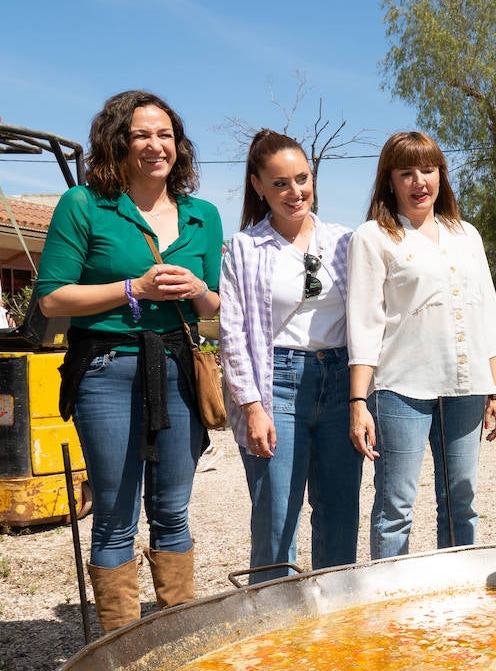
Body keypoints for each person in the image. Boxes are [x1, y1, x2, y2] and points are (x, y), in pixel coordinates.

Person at [36, 90, 222, 635]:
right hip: (106, 370)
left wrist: (198, 291)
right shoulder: (85, 205)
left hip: (179, 368)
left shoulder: (202, 216)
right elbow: (51, 299)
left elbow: (216, 313)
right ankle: (121, 648)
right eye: (142, 134)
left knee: (173, 511)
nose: (155, 145)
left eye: (165, 134)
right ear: (117, 142)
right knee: (116, 517)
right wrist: (131, 288)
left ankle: (174, 638)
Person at [347, 131, 496, 559]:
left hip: (466, 387)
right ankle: (391, 602)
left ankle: (457, 592)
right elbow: (364, 323)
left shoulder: (465, 234)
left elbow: (485, 312)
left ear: (441, 175)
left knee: (461, 503)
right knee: (395, 507)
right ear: (390, 181)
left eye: (428, 170)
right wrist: (358, 401)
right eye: (406, 172)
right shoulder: (373, 237)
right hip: (401, 387)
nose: (419, 181)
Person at [219, 130, 362, 582]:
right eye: (280, 183)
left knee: (340, 513)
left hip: (339, 380)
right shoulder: (244, 247)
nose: (295, 192)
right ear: (258, 186)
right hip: (275, 382)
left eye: (302, 179)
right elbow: (233, 334)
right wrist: (253, 406)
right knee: (277, 518)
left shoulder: (344, 241)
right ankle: (272, 622)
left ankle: (335, 623)